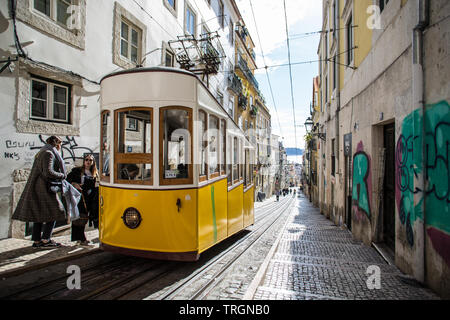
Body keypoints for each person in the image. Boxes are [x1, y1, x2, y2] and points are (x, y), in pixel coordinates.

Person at [12, 136, 67, 248]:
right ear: (56, 144)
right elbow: (48, 172)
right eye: (60, 144)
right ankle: (46, 240)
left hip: (39, 187)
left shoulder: (42, 152)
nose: (60, 147)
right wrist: (62, 175)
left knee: (39, 214)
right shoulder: (48, 153)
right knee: (56, 211)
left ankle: (37, 240)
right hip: (44, 188)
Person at [67, 154, 99, 245]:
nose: (88, 162)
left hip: (90, 199)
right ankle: (81, 238)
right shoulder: (77, 171)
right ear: (84, 161)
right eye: (86, 160)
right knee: (79, 217)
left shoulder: (95, 173)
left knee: (84, 218)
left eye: (90, 160)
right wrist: (74, 184)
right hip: (79, 197)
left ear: (93, 162)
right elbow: (67, 180)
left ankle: (80, 238)